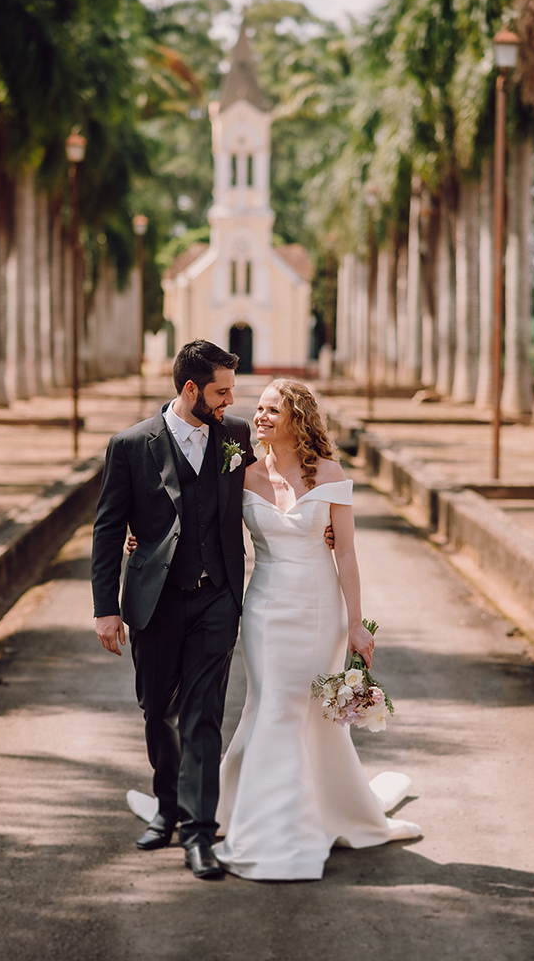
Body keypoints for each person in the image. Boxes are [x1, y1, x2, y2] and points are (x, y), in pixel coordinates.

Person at [213, 379, 421, 881]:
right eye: (257, 408)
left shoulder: (329, 473)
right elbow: (201, 528)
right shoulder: (238, 473)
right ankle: (273, 828)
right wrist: (140, 538)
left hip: (321, 609)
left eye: (270, 409)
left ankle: (317, 810)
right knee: (273, 707)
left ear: (296, 418)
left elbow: (345, 551)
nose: (258, 416)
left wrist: (355, 623)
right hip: (264, 609)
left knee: (309, 711)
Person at [91, 339, 256, 881]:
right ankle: (166, 806)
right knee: (157, 708)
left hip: (217, 599)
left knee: (204, 715)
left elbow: (266, 492)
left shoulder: (235, 436)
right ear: (191, 389)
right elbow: (109, 529)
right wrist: (105, 608)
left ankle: (199, 833)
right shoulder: (131, 445)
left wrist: (320, 520)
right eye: (222, 391)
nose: (232, 400)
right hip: (154, 602)